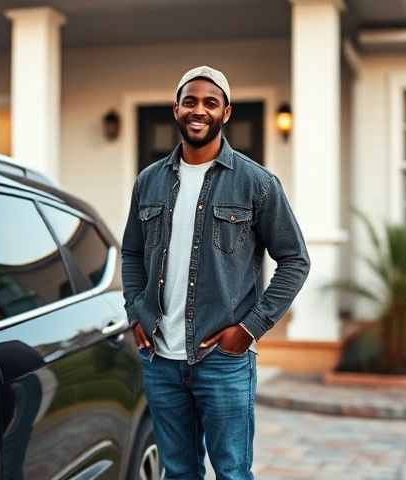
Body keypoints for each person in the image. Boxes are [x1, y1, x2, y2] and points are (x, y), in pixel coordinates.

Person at [121, 65, 310, 479]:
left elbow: (295, 260)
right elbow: (131, 253)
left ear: (226, 112)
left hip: (222, 361)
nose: (199, 110)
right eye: (190, 101)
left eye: (211, 102)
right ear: (176, 110)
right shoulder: (148, 182)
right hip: (160, 358)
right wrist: (135, 311)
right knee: (179, 471)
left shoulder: (257, 183)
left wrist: (250, 329)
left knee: (232, 472)